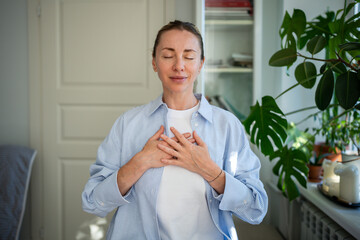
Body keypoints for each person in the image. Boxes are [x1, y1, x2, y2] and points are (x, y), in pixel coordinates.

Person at [82, 20, 268, 240]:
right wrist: (140, 161)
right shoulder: (128, 124)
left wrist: (209, 170)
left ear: (201, 63)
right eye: (168, 56)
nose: (179, 65)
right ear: (154, 62)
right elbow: (93, 201)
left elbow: (256, 210)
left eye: (189, 56)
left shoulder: (227, 126)